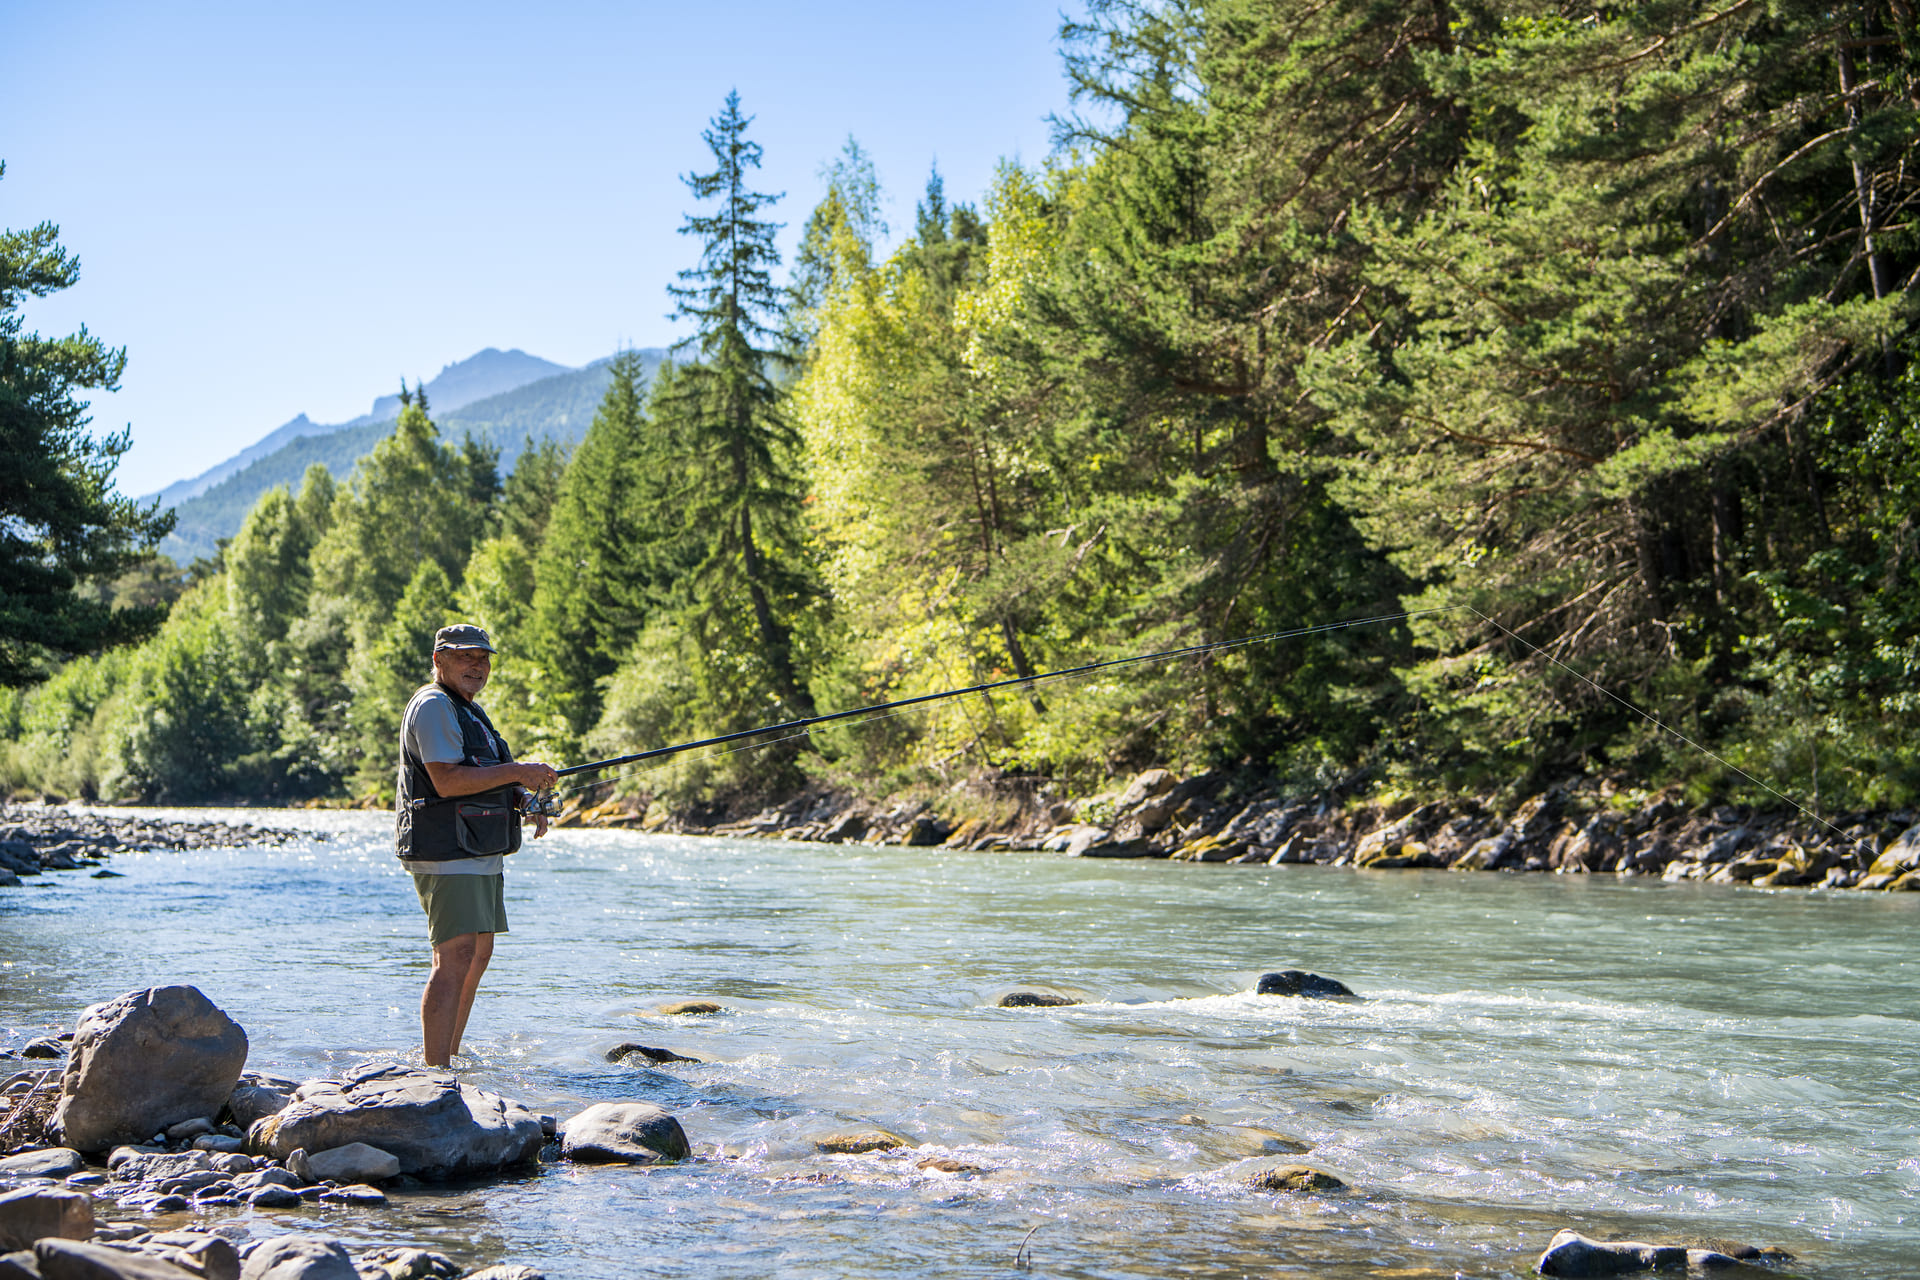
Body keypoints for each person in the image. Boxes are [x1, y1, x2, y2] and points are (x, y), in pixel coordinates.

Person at [396, 623, 559, 1067]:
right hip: (447, 848)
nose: (476, 665)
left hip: (477, 848)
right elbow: (447, 781)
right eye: (464, 656)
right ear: (439, 660)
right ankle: (435, 1072)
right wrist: (519, 771)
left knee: (476, 955)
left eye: (482, 658)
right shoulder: (433, 705)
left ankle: (447, 1058)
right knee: (456, 955)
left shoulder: (470, 711)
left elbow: (485, 772)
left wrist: (523, 797)